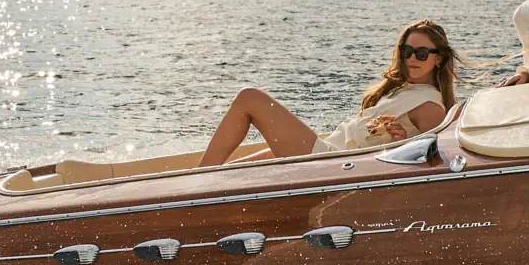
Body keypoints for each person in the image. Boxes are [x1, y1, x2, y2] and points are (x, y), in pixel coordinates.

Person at [197, 20, 461, 168]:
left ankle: (200, 177)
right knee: (232, 170)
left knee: (250, 98)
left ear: (439, 59)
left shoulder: (430, 106)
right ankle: (203, 176)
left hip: (331, 163)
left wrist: (404, 140)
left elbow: (430, 161)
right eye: (407, 51)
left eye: (422, 53)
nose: (413, 58)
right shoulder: (401, 90)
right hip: (330, 151)